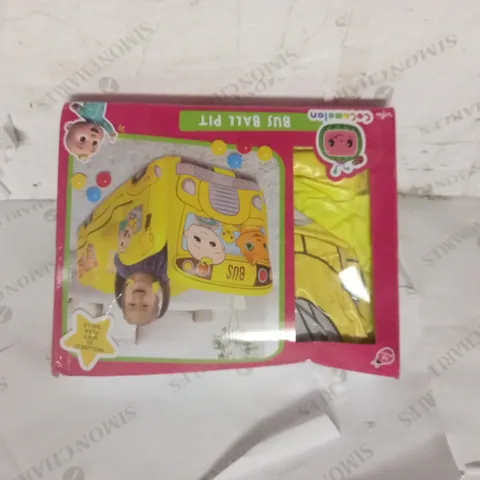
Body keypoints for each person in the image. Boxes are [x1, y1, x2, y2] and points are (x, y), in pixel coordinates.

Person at [114, 247, 170, 326]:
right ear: (156, 298)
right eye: (145, 305)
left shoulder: (122, 266)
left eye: (132, 304)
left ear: (124, 296)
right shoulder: (165, 270)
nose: (138, 299)